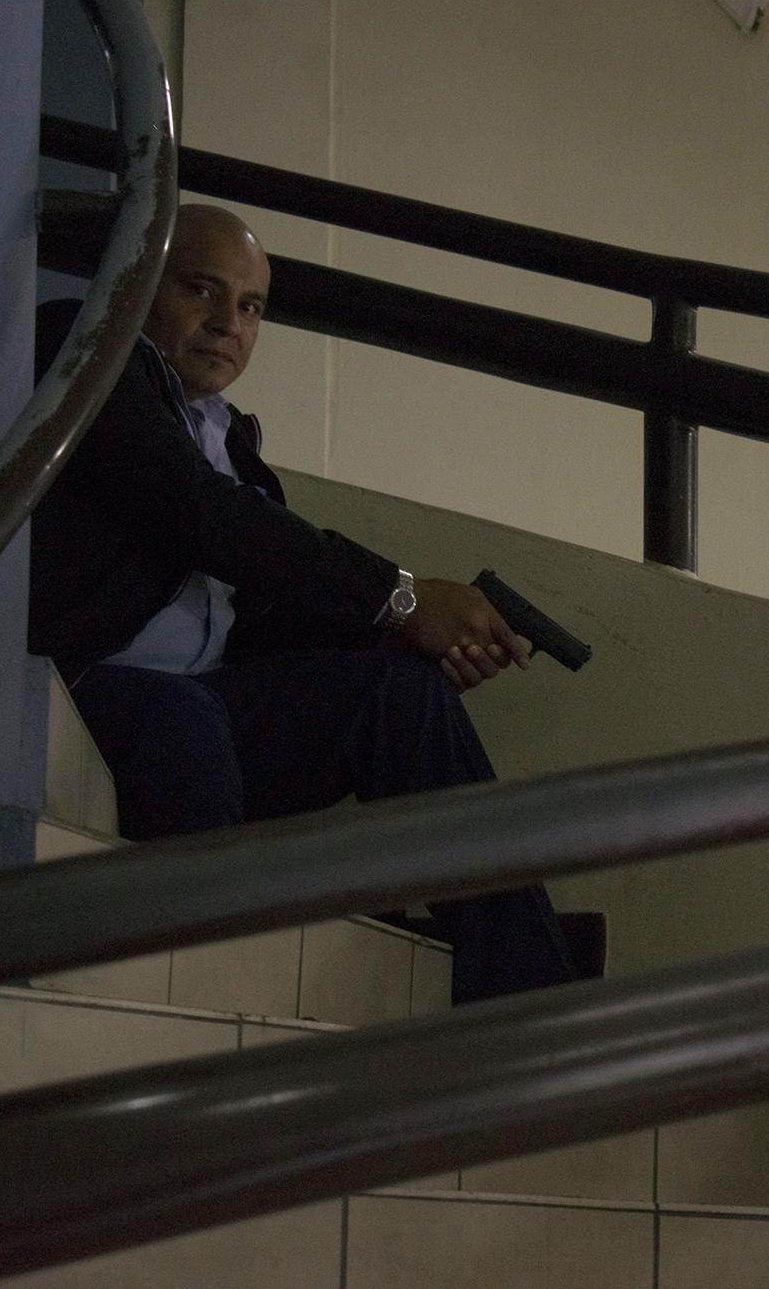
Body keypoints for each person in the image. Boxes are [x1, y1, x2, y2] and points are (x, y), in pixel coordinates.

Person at [29, 203, 576, 1004]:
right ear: (139, 282)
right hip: (86, 685)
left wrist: (407, 640)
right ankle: (204, 1006)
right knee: (189, 727)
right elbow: (197, 514)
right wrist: (401, 597)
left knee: (402, 699)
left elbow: (266, 604)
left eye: (250, 307)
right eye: (201, 290)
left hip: (203, 698)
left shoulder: (233, 442)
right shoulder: (85, 351)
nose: (227, 324)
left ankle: (535, 999)